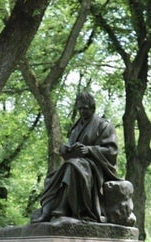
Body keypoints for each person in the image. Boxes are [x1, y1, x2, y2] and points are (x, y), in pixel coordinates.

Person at [31, 91, 121, 223]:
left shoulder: (104, 125)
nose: (82, 111)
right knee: (52, 177)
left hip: (96, 167)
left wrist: (90, 150)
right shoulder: (76, 127)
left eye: (85, 108)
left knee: (72, 167)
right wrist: (66, 150)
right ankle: (47, 210)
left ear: (92, 108)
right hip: (77, 163)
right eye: (80, 109)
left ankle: (62, 208)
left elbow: (112, 151)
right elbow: (71, 147)